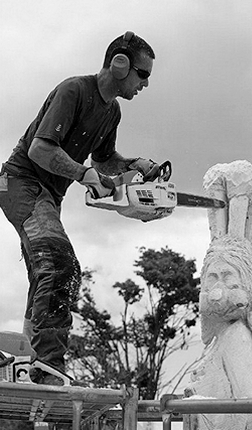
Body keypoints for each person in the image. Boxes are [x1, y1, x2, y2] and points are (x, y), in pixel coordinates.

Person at [0, 31, 160, 385]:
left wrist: (135, 165)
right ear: (120, 65)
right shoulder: (74, 91)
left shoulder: (111, 112)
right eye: (143, 74)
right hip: (18, 183)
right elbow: (39, 150)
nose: (145, 83)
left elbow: (104, 162)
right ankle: (48, 369)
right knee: (60, 265)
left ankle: (28, 361)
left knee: (43, 276)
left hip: (47, 196)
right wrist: (83, 173)